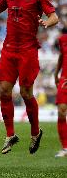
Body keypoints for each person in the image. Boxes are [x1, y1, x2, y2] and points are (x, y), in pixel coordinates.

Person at [0, 0, 59, 154]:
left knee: (26, 93)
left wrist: (48, 23)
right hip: (9, 49)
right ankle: (10, 135)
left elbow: (54, 16)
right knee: (4, 91)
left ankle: (35, 132)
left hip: (28, 50)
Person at [54, 27, 67, 158]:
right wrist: (56, 73)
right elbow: (62, 56)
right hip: (64, 80)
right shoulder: (62, 39)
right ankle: (65, 148)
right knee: (61, 112)